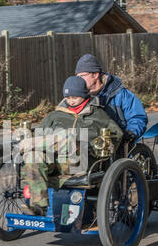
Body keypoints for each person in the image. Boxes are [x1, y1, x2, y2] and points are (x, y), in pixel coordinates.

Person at [21, 76, 123, 216]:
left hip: (81, 162)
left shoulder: (99, 115)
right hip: (56, 163)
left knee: (69, 137)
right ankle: (39, 206)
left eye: (74, 97)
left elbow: (117, 134)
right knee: (34, 156)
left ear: (84, 95)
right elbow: (40, 134)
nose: (70, 100)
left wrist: (102, 145)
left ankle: (24, 145)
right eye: (67, 97)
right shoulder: (55, 115)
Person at [73, 54, 148, 141]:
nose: (78, 80)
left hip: (118, 142)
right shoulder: (78, 97)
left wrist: (130, 133)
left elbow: (137, 117)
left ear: (96, 75)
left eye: (82, 76)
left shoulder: (120, 94)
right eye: (77, 77)